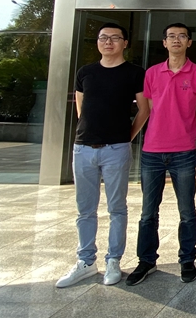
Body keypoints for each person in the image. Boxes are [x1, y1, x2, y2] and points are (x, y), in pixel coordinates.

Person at [56, 23, 149, 288]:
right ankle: (85, 261)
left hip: (116, 149)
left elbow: (144, 110)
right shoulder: (85, 72)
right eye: (103, 38)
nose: (108, 42)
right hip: (83, 148)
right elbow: (81, 108)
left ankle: (113, 260)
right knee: (85, 210)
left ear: (125, 43)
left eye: (114, 38)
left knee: (116, 208)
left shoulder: (135, 73)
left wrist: (127, 137)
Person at [126, 23, 196, 286]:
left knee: (187, 210)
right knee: (148, 212)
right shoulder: (152, 73)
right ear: (164, 42)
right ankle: (146, 260)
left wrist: (184, 129)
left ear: (189, 42)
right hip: (152, 150)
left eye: (182, 36)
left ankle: (187, 259)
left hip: (183, 150)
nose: (176, 40)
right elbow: (149, 108)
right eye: (171, 36)